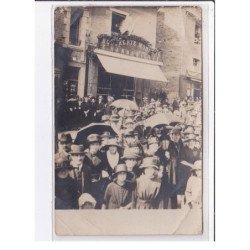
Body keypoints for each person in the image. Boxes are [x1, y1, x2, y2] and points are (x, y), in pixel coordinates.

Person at [81, 134, 110, 208]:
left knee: (99, 203)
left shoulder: (102, 155)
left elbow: (106, 168)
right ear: (89, 145)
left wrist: (103, 172)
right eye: (93, 144)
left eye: (97, 144)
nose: (95, 146)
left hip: (99, 183)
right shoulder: (84, 155)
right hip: (87, 183)